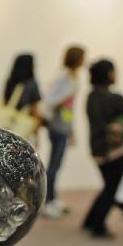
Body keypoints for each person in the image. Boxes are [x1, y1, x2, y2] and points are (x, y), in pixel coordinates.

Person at [82, 59, 123, 238]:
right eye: (113, 71)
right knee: (111, 189)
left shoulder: (91, 97)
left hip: (97, 150)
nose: (116, 74)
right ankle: (97, 226)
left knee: (108, 186)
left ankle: (90, 220)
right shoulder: (116, 98)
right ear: (107, 74)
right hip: (116, 152)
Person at [41, 45, 85, 218]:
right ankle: (48, 201)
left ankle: (53, 198)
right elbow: (51, 100)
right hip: (57, 127)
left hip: (64, 126)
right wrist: (64, 97)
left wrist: (72, 131)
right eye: (82, 57)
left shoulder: (72, 77)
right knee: (53, 165)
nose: (84, 60)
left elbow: (70, 109)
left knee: (57, 165)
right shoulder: (64, 77)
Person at [2, 53, 42, 143]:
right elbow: (34, 108)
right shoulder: (32, 83)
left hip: (6, 126)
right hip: (21, 127)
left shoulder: (11, 81)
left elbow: (5, 101)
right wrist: (37, 133)